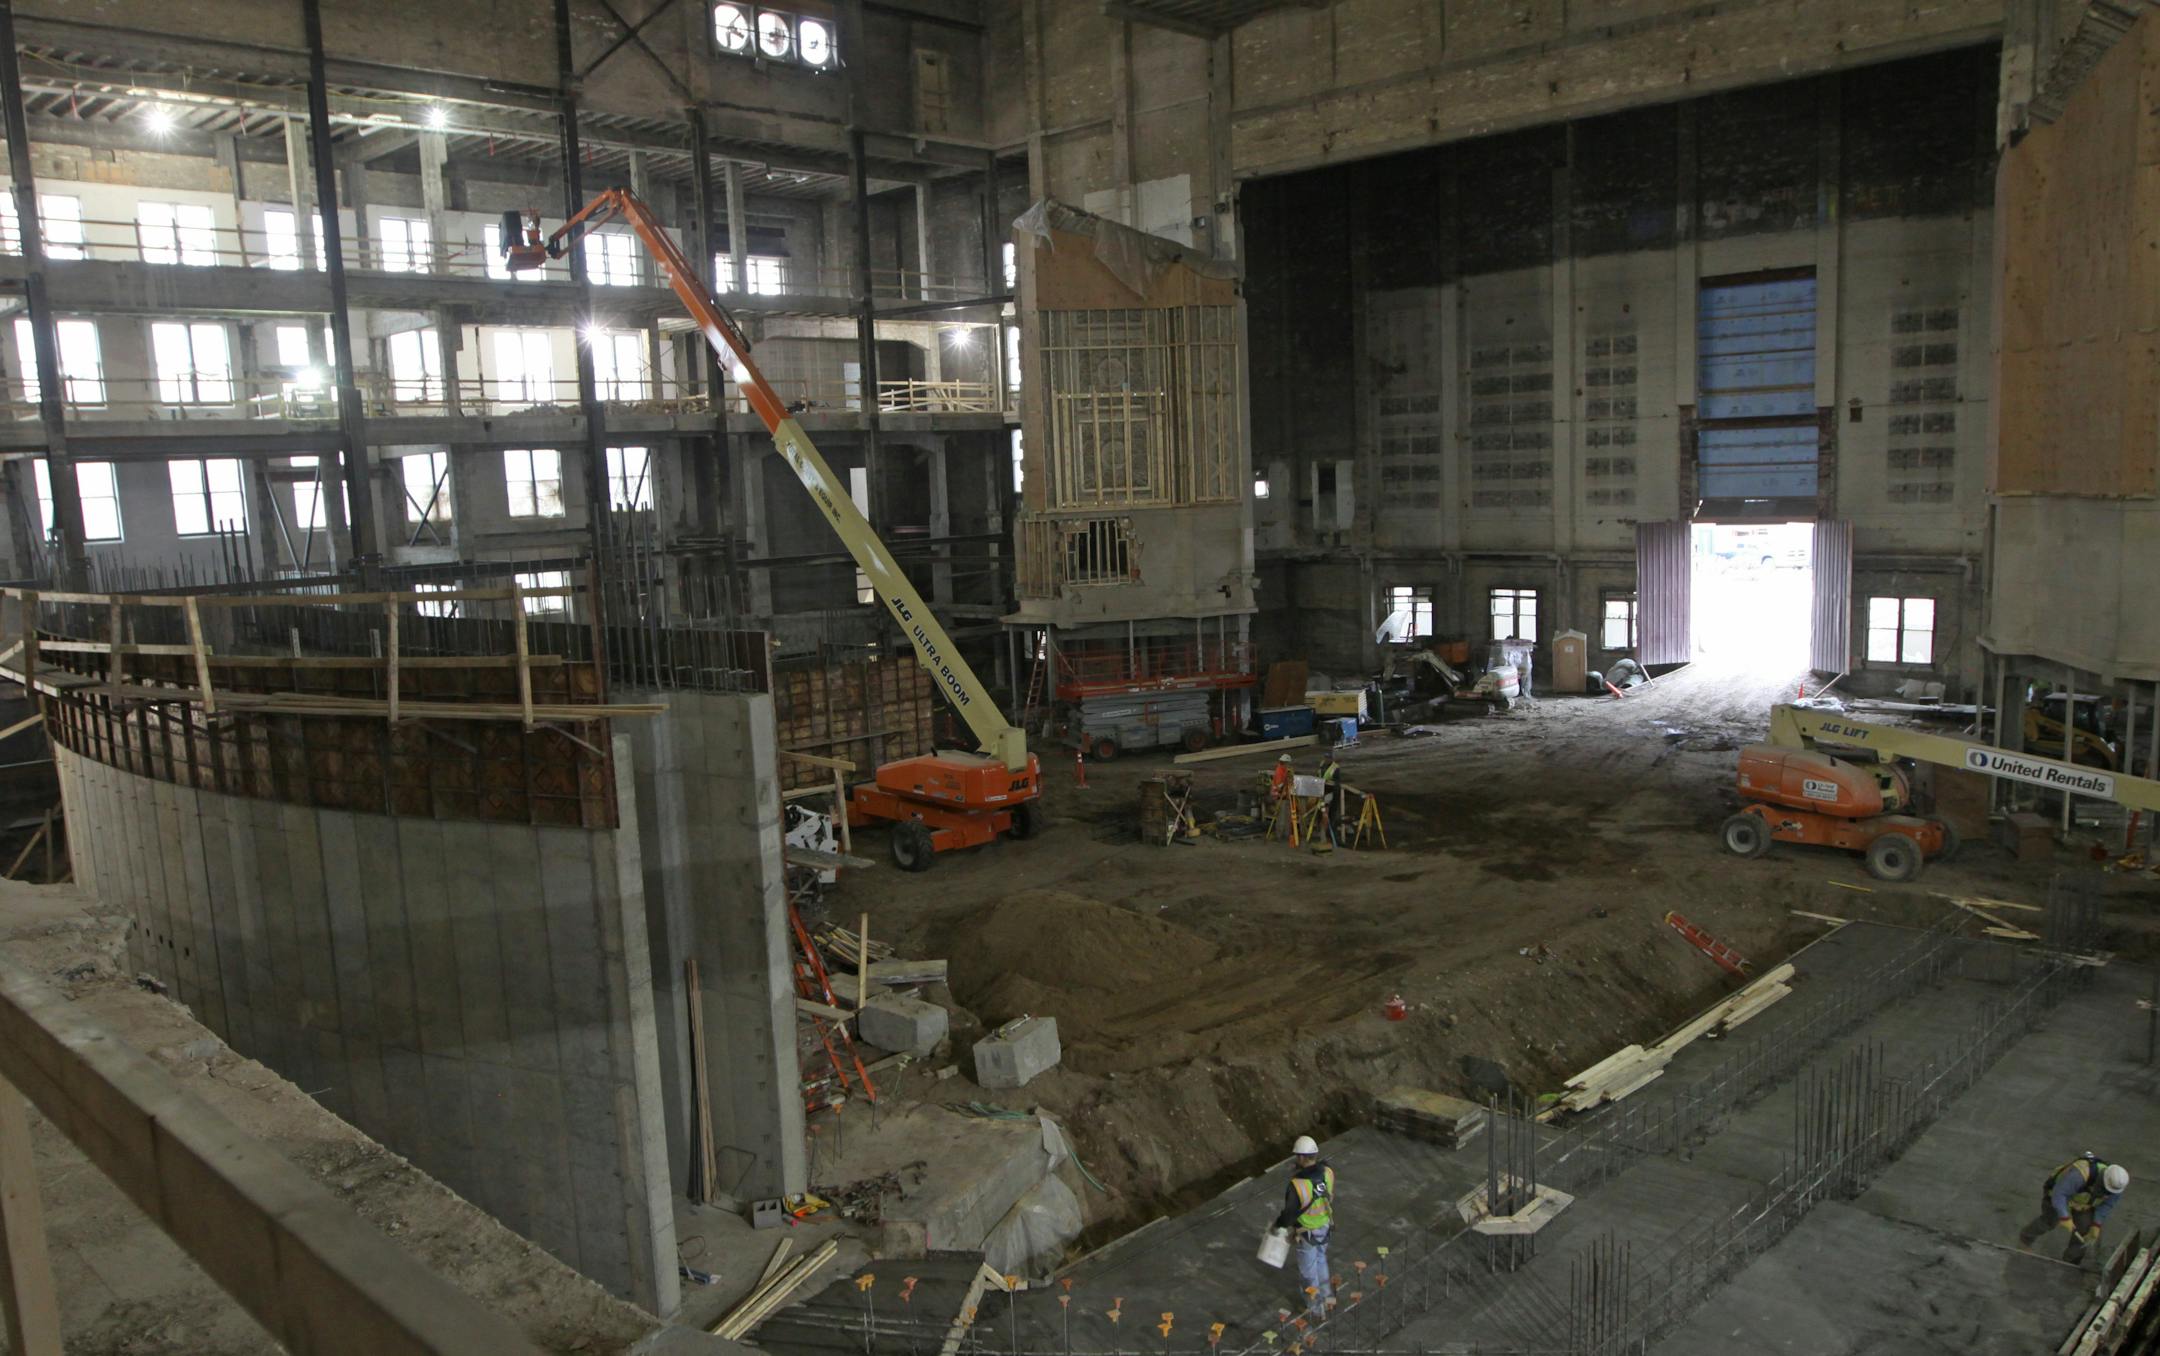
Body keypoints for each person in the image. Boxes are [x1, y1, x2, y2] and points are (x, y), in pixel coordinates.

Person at [2019, 1152, 2128, 1264]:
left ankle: (2071, 1262)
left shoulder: (2116, 1187)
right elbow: (2059, 1194)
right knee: (2049, 1220)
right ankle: (2025, 1239)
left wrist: (2096, 1224)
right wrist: (2064, 1217)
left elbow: (2107, 1204)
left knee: (2084, 1230)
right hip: (2058, 1193)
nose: (2108, 1193)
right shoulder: (2079, 1175)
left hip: (2082, 1202)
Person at [1272, 1134, 1335, 1318]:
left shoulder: (1297, 1185)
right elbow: (1329, 1195)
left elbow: (1289, 1213)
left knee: (1308, 1273)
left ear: (1300, 1157)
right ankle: (1327, 1297)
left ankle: (1316, 1309)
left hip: (1307, 1233)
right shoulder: (1328, 1173)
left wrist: (1278, 1226)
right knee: (1321, 1260)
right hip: (1325, 1226)